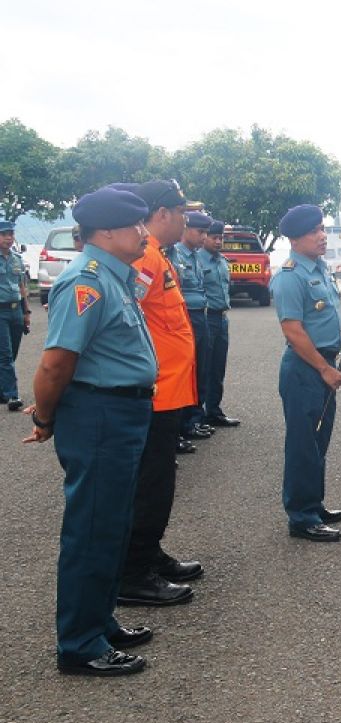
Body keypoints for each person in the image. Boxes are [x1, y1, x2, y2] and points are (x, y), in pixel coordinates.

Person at [24, 187, 159, 676]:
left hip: (122, 414)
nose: (144, 233)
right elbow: (56, 363)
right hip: (101, 414)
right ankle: (79, 644)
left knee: (113, 524)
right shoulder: (85, 281)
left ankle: (99, 621)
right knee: (92, 529)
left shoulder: (116, 277)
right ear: (105, 232)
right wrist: (44, 417)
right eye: (136, 226)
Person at [118, 179, 203, 606]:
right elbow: (126, 319)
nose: (188, 218)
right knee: (150, 484)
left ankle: (148, 554)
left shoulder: (155, 254)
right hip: (153, 392)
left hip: (166, 390)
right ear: (164, 214)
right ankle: (133, 573)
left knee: (159, 480)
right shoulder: (145, 257)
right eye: (182, 211)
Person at [270, 204, 341, 541]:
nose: (322, 236)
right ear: (294, 239)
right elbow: (292, 330)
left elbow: (322, 317)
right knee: (303, 443)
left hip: (323, 362)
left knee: (319, 440)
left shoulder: (319, 269)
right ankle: (301, 517)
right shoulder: (290, 276)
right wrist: (324, 369)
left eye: (322, 229)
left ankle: (313, 502)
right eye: (314, 231)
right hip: (306, 368)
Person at [173, 211, 215, 440]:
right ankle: (183, 424)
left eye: (206, 232)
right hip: (186, 316)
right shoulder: (176, 255)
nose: (204, 237)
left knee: (202, 369)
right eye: (200, 232)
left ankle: (194, 419)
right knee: (187, 370)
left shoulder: (196, 256)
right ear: (187, 229)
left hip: (201, 315)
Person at [199, 219, 240, 427]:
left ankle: (214, 411)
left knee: (218, 368)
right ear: (204, 237)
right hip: (206, 317)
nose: (218, 241)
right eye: (214, 237)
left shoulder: (222, 261)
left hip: (222, 318)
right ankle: (197, 416)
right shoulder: (197, 260)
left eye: (220, 238)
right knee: (203, 368)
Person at [0, 219, 31, 411]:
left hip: (16, 310)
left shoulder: (17, 258)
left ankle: (3, 389)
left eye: (11, 234)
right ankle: (13, 395)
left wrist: (26, 312)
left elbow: (22, 287)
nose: (9, 238)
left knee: (12, 353)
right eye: (4, 234)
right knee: (5, 354)